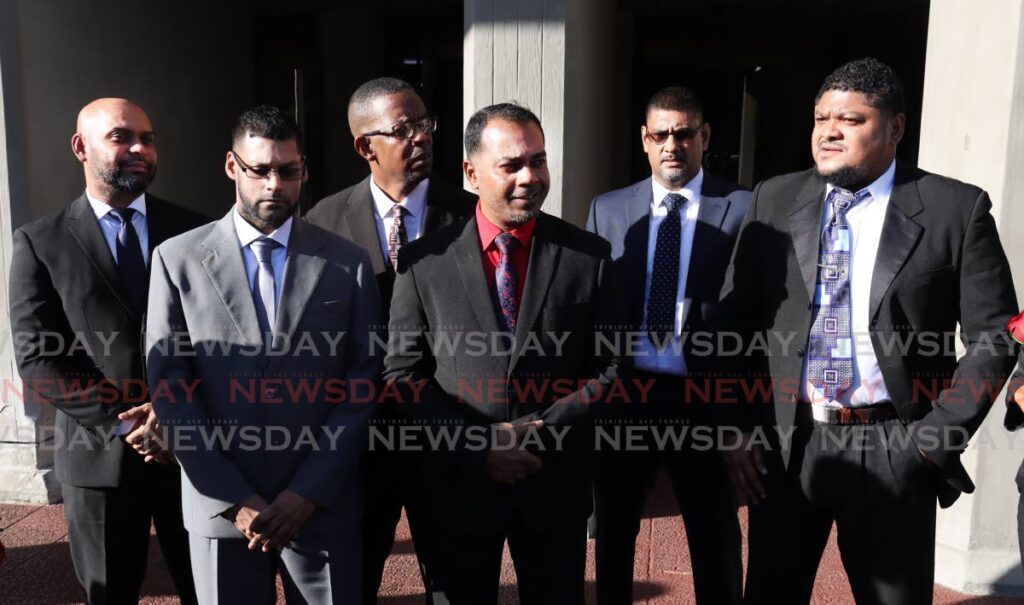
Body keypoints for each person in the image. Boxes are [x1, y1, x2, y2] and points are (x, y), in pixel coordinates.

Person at [718, 57, 1018, 604]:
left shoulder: (957, 209)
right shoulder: (773, 200)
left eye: (850, 120)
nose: (829, 131)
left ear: (895, 128)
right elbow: (732, 326)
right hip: (790, 446)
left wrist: (933, 441)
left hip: (894, 445)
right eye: (820, 118)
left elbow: (995, 336)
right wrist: (735, 428)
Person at [383, 102, 628, 604]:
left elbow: (611, 367)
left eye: (538, 161)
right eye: (511, 165)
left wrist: (539, 434)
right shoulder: (422, 263)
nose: (530, 177)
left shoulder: (589, 256)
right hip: (457, 487)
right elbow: (403, 373)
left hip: (553, 484)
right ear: (471, 172)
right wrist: (476, 445)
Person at [145, 105, 380, 604]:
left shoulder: (347, 262)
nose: (274, 184)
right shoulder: (176, 259)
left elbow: (363, 385)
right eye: (260, 170)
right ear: (233, 166)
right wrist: (234, 499)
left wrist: (308, 492)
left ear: (304, 170)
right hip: (221, 507)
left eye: (288, 171)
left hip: (321, 506)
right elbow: (172, 391)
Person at [8, 97, 204, 604]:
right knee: (108, 593)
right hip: (99, 458)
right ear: (81, 147)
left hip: (194, 451)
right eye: (122, 137)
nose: (140, 148)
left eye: (148, 137)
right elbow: (38, 357)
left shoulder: (196, 232)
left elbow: (221, 339)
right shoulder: (39, 242)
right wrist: (128, 421)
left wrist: (171, 411)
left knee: (211, 591)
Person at [305, 77, 475, 603]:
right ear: (365, 146)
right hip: (358, 443)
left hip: (445, 431)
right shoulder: (322, 223)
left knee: (454, 583)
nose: (421, 136)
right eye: (403, 129)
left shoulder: (472, 215)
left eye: (425, 123)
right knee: (354, 583)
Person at [585, 85, 747, 605]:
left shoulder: (745, 208)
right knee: (612, 534)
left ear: (703, 137)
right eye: (661, 135)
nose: (671, 145)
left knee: (714, 535)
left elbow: (758, 321)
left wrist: (740, 419)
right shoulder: (608, 209)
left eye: (683, 133)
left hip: (701, 399)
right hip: (624, 398)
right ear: (645, 139)